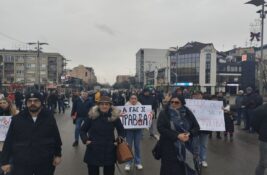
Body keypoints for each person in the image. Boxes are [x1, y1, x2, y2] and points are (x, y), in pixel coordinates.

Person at [1, 91, 62, 175]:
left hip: (44, 160)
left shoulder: (49, 117)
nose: (32, 103)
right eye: (29, 101)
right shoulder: (17, 119)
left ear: (41, 102)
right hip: (22, 161)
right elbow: (9, 140)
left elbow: (56, 137)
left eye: (36, 101)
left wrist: (58, 154)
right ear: (26, 103)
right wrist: (5, 161)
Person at [80, 96, 125, 175]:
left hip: (109, 150)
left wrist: (118, 141)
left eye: (107, 104)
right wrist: (86, 140)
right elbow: (82, 130)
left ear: (110, 105)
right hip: (93, 149)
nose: (104, 106)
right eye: (102, 104)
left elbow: (122, 131)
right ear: (98, 105)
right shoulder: (92, 116)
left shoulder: (114, 117)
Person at [157, 94, 200, 175]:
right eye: (172, 102)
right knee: (170, 170)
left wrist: (189, 134)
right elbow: (161, 128)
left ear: (182, 103)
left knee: (184, 169)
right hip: (169, 148)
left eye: (177, 102)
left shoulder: (187, 112)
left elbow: (196, 127)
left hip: (186, 147)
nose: (173, 104)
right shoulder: (164, 113)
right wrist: (177, 136)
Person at [124, 94, 143, 171]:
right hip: (129, 130)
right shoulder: (126, 106)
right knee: (129, 147)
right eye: (132, 98)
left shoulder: (140, 106)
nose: (133, 100)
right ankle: (128, 163)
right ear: (129, 99)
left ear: (137, 99)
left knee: (137, 146)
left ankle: (138, 162)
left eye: (135, 98)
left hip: (138, 130)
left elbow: (144, 116)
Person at [0, 98, 19, 175]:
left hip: (12, 144)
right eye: (0, 103)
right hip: (1, 144)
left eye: (4, 102)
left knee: (10, 168)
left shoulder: (16, 113)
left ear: (9, 103)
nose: (2, 104)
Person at [192, 92, 210, 168]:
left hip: (205, 128)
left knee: (203, 144)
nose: (197, 97)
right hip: (194, 129)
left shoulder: (208, 104)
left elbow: (214, 112)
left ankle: (203, 159)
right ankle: (197, 159)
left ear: (202, 96)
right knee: (195, 145)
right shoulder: (190, 104)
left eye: (199, 95)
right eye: (195, 95)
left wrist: (220, 109)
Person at [252, 103, 267, 175]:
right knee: (263, 163)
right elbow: (255, 124)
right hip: (265, 140)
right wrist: (262, 132)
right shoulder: (261, 110)